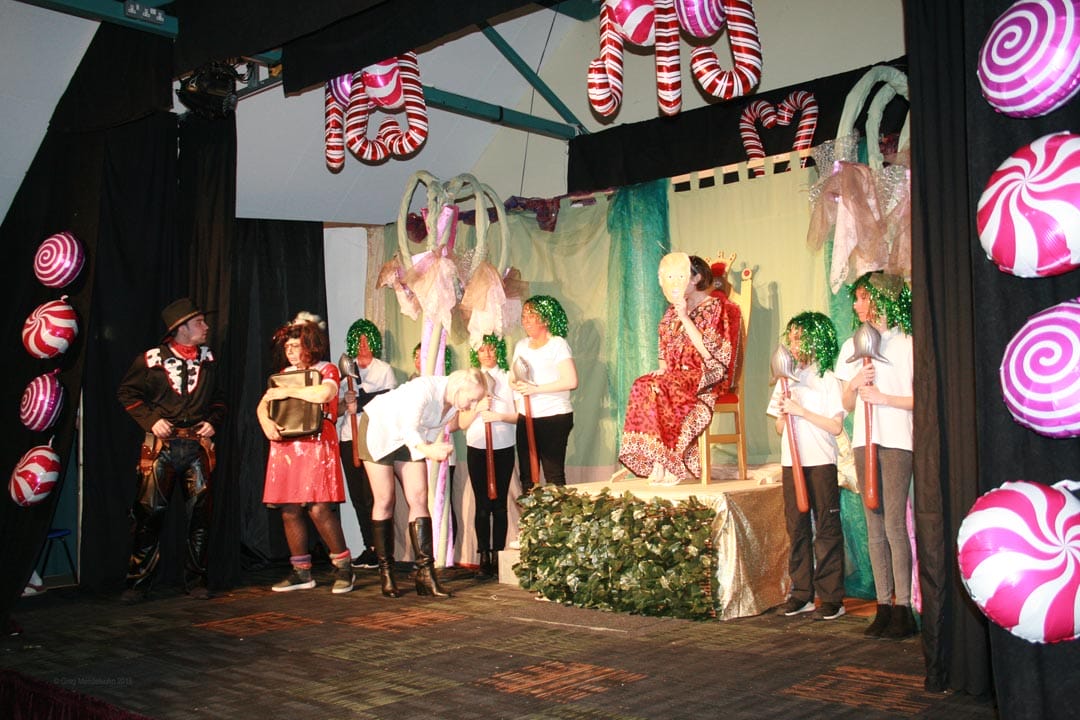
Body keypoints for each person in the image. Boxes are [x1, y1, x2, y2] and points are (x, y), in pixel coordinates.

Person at [117, 297, 226, 602]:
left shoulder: (208, 359)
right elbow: (126, 393)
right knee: (148, 514)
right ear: (181, 328)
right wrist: (152, 421)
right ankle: (137, 583)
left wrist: (213, 421)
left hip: (196, 446)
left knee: (200, 516)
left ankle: (197, 580)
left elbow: (219, 398)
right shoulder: (151, 359)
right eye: (199, 322)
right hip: (161, 448)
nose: (206, 327)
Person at [357, 368, 488, 598]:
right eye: (472, 399)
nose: (472, 404)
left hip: (410, 439)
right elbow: (409, 428)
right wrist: (428, 450)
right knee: (385, 499)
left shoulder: (453, 404)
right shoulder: (424, 389)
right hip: (380, 429)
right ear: (459, 388)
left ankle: (425, 573)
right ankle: (386, 572)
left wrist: (430, 446)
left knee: (419, 497)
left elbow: (428, 430)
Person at [835, 272, 915, 639]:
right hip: (863, 441)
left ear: (883, 299)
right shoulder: (854, 346)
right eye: (856, 298)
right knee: (874, 525)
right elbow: (847, 404)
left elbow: (921, 398)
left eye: (863, 297)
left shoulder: (907, 343)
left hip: (897, 440)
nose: (857, 304)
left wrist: (885, 398)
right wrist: (855, 383)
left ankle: (903, 608)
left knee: (895, 523)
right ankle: (883, 606)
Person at [257, 312, 354, 595]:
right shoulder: (284, 374)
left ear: (310, 345)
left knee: (318, 508)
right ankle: (301, 572)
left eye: (295, 346)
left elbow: (324, 395)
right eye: (286, 346)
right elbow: (264, 404)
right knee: (289, 509)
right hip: (287, 446)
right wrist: (266, 423)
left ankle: (344, 567)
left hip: (316, 442)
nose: (289, 350)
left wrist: (288, 392)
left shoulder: (326, 369)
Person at [619, 254, 735, 485]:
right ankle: (659, 459)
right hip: (677, 374)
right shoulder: (671, 312)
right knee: (643, 384)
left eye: (680, 276)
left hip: (705, 374)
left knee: (663, 388)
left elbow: (709, 353)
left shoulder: (715, 307)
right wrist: (663, 369)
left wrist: (685, 317)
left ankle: (674, 461)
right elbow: (663, 347)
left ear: (696, 278)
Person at [767, 312, 847, 621]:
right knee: (796, 528)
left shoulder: (828, 379)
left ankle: (832, 597)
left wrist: (801, 411)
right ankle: (802, 593)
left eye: (800, 338)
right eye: (791, 338)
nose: (794, 344)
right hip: (792, 463)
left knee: (826, 529)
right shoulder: (787, 379)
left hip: (820, 462)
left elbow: (835, 426)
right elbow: (779, 427)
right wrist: (785, 412)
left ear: (817, 340)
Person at [337, 319, 397, 570]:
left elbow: (389, 400)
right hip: (348, 438)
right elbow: (336, 408)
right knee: (358, 497)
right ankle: (369, 547)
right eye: (358, 341)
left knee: (375, 495)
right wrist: (346, 403)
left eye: (367, 340)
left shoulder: (383, 370)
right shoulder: (345, 371)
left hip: (373, 437)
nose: (363, 345)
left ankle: (383, 550)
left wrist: (360, 402)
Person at [458, 335, 517, 578]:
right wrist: (477, 409)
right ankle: (483, 556)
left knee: (500, 505)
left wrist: (499, 417)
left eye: (491, 349)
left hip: (503, 446)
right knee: (482, 504)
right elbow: (462, 422)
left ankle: (498, 555)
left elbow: (519, 416)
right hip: (477, 447)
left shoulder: (508, 378)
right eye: (482, 350)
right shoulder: (470, 379)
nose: (487, 354)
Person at [509, 295, 578, 491]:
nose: (526, 321)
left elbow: (571, 381)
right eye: (524, 316)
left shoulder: (557, 344)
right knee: (527, 475)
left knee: (553, 474)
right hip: (527, 416)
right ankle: (529, 510)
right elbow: (513, 377)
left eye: (532, 316)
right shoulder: (521, 345)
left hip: (554, 415)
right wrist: (516, 385)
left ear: (546, 319)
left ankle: (557, 510)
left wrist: (535, 389)